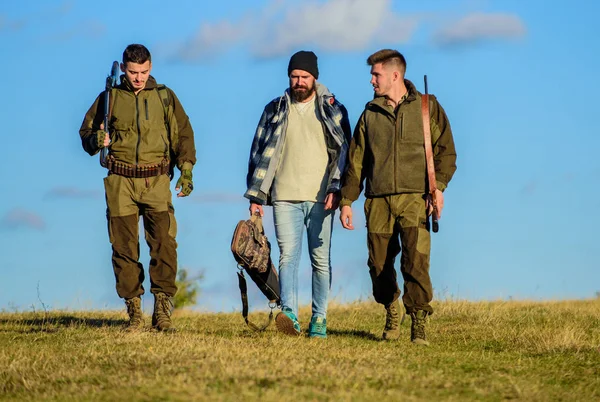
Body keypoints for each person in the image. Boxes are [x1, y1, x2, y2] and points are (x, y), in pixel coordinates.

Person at [339, 49, 457, 345]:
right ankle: (392, 307)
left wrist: (438, 187)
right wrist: (346, 201)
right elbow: (356, 161)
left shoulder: (427, 107)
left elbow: (446, 152)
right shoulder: (369, 113)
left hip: (416, 198)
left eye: (375, 74)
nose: (371, 80)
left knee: (415, 263)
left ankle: (418, 322)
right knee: (378, 264)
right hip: (377, 200)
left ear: (395, 75)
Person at [79, 44, 196, 332]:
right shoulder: (108, 98)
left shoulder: (165, 97)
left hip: (156, 180)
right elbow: (86, 133)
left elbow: (183, 134)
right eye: (133, 72)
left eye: (143, 72)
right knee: (123, 248)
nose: (138, 78)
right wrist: (97, 140)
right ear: (123, 68)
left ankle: (162, 311)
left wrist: (187, 170)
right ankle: (134, 314)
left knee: (164, 245)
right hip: (120, 182)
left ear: (151, 67)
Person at [245, 51, 351, 338]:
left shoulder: (333, 108)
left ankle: (319, 318)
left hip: (322, 197)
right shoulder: (275, 109)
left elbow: (344, 154)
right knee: (287, 257)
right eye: (294, 76)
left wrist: (337, 189)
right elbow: (258, 152)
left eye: (304, 76)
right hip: (284, 195)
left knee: (320, 260)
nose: (299, 81)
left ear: (314, 77)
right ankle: (289, 313)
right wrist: (257, 196)